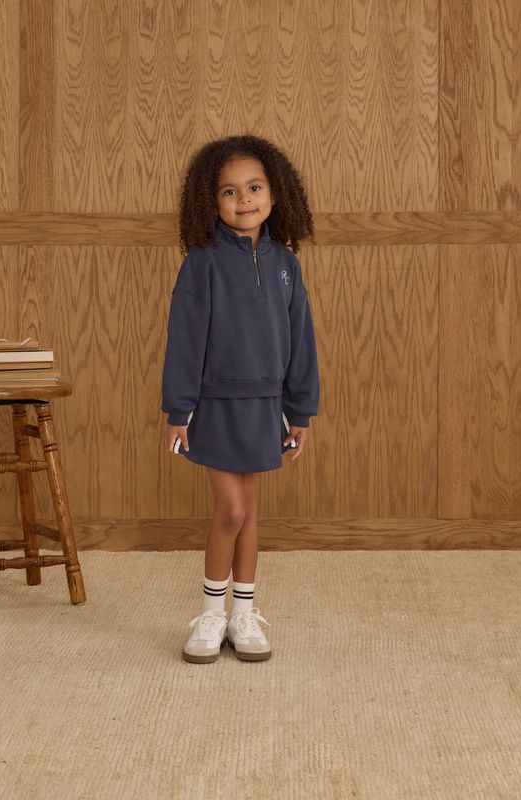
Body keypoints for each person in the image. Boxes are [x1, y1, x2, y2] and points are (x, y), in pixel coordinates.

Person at [161, 135, 320, 663]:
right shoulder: (201, 263)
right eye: (229, 191)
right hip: (214, 406)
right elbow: (185, 339)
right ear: (212, 202)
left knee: (250, 513)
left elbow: (301, 342)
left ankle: (243, 614)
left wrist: (300, 411)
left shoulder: (287, 265)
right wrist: (178, 410)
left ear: (275, 196)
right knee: (229, 511)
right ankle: (210, 613)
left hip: (265, 405)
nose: (244, 199)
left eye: (254, 188)